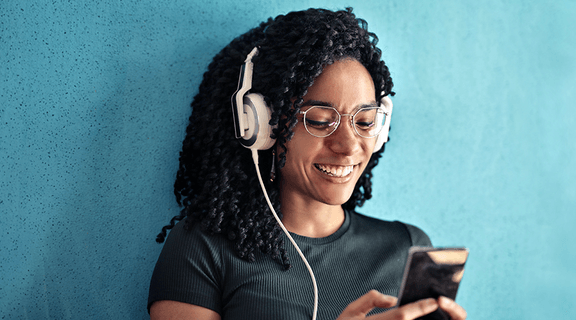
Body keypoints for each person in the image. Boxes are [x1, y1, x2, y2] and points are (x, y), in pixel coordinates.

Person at [148, 8, 467, 320]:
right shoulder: (202, 248)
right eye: (319, 120)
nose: (348, 146)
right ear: (260, 127)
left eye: (366, 121)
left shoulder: (408, 248)